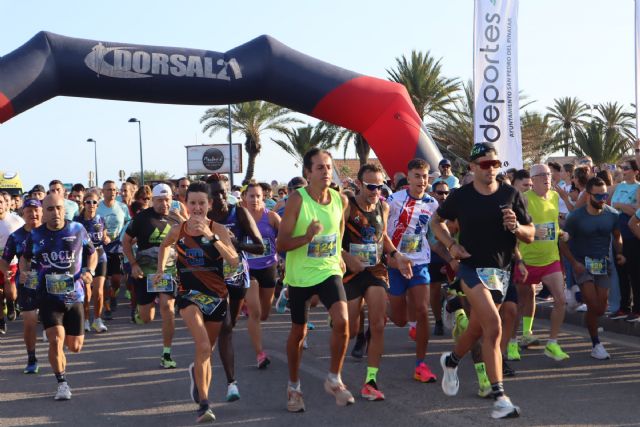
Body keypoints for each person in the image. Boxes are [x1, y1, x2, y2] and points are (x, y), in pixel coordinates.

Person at [432, 142, 534, 419]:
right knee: (494, 326)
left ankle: (451, 361)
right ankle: (500, 397)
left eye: (496, 164)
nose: (492, 169)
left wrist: (516, 226)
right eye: (486, 165)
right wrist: (451, 246)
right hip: (471, 269)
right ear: (473, 167)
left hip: (501, 272)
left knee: (477, 330)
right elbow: (436, 222)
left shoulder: (511, 194)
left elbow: (530, 233)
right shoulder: (461, 196)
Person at [277, 148, 353, 412]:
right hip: (300, 276)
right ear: (307, 173)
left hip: (328, 269)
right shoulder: (298, 200)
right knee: (299, 331)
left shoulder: (340, 199)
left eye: (329, 167)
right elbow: (281, 243)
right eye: (320, 168)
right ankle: (294, 386)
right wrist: (307, 238)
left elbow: (339, 228)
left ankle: (334, 379)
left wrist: (339, 253)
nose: (326, 172)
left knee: (343, 320)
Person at [155, 181, 238, 423]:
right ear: (186, 205)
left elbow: (233, 260)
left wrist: (211, 237)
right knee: (202, 346)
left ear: (210, 204)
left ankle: (196, 375)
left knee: (206, 353)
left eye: (202, 203)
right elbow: (164, 246)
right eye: (193, 203)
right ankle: (204, 404)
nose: (197, 207)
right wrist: (161, 269)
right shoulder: (178, 230)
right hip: (188, 294)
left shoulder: (219, 229)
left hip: (216, 298)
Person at [342, 163, 412, 401]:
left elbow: (382, 237)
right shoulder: (346, 205)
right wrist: (346, 258)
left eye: (380, 186)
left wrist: (396, 255)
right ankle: (341, 319)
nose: (375, 191)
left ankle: (370, 381)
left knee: (379, 324)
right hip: (350, 273)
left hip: (376, 270)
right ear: (360, 184)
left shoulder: (383, 206)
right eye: (371, 186)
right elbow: (332, 237)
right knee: (348, 331)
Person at [18, 194, 97, 400]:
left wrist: (90, 270)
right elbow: (24, 259)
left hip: (74, 295)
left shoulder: (77, 230)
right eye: (50, 209)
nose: (55, 213)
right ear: (43, 212)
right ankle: (62, 382)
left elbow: (92, 252)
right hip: (48, 296)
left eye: (59, 208)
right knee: (55, 339)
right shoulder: (35, 235)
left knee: (75, 346)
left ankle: (63, 352)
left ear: (65, 209)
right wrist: (25, 273)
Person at [207, 174, 264, 401]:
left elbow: (259, 246)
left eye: (223, 191)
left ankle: (206, 357)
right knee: (226, 326)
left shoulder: (239, 212)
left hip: (237, 276)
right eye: (215, 193)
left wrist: (234, 244)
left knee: (229, 327)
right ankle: (232, 383)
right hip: (212, 277)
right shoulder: (203, 217)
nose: (220, 197)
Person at [386, 158, 440, 383]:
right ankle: (382, 310)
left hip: (420, 263)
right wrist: (393, 256)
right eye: (417, 176)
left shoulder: (432, 203)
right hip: (395, 263)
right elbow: (381, 230)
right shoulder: (394, 200)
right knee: (399, 319)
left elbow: (436, 231)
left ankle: (421, 364)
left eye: (425, 176)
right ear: (408, 178)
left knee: (421, 309)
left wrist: (451, 252)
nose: (422, 180)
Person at [561, 177, 625, 359]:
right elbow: (563, 243)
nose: (603, 199)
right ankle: (596, 344)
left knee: (599, 309)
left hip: (603, 264)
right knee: (592, 303)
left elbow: (617, 235)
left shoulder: (612, 214)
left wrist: (619, 252)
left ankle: (577, 296)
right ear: (588, 195)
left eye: (605, 195)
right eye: (598, 196)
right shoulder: (576, 217)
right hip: (583, 265)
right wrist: (574, 263)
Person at [513, 164, 570, 361]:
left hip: (550, 259)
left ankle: (552, 343)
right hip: (527, 260)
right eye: (542, 175)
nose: (547, 177)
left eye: (549, 174)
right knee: (519, 304)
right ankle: (512, 342)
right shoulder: (524, 199)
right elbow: (515, 227)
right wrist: (534, 232)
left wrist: (561, 233)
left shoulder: (554, 196)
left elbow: (552, 223)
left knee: (561, 300)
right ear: (533, 179)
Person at [122, 183, 179, 368]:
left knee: (168, 309)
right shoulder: (141, 218)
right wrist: (133, 264)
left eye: (167, 199)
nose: (164, 204)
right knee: (147, 318)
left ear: (172, 199)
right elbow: (126, 241)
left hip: (168, 271)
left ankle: (167, 353)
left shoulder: (176, 218)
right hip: (145, 274)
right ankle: (140, 311)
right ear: (153, 200)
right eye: (160, 200)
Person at [0, 199, 42, 372]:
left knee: (54, 326)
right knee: (30, 321)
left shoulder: (52, 231)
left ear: (42, 212)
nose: (33, 214)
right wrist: (6, 271)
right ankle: (32, 358)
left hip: (52, 281)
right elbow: (4, 260)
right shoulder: (16, 236)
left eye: (36, 210)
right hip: (28, 281)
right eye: (28, 211)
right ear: (23, 214)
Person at [243, 182, 281, 369]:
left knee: (265, 313)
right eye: (251, 196)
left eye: (258, 196)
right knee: (255, 312)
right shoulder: (239, 218)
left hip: (268, 267)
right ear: (245, 198)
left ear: (263, 197)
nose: (255, 199)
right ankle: (260, 353)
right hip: (247, 269)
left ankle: (249, 307)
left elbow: (285, 236)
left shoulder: (272, 217)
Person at [608, 160, 640, 322]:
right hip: (617, 235)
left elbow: (635, 210)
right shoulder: (619, 187)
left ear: (635, 171)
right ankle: (623, 307)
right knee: (621, 272)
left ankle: (637, 309)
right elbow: (611, 205)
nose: (624, 171)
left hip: (632, 235)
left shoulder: (638, 187)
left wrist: (621, 205)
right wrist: (623, 206)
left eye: (627, 168)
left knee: (635, 273)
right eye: (622, 168)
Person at [74, 190, 110, 333]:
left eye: (94, 202)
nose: (91, 205)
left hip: (100, 256)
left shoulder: (101, 219)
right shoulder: (77, 220)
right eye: (88, 202)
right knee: (87, 292)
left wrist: (107, 239)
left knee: (99, 291)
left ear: (97, 204)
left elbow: (105, 236)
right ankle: (85, 320)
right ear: (84, 204)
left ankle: (97, 319)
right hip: (84, 258)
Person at [97, 180, 132, 320]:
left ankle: (113, 295)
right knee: (103, 281)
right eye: (108, 190)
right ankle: (107, 307)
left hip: (116, 245)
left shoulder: (122, 207)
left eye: (113, 190)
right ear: (103, 192)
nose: (112, 192)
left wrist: (123, 237)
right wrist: (102, 236)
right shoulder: (98, 207)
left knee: (117, 279)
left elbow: (128, 222)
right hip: (101, 246)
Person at [0, 194, 24, 333]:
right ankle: (1, 322)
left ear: (7, 204)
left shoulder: (16, 221)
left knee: (11, 293)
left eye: (1, 202)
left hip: (11, 262)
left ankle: (10, 303)